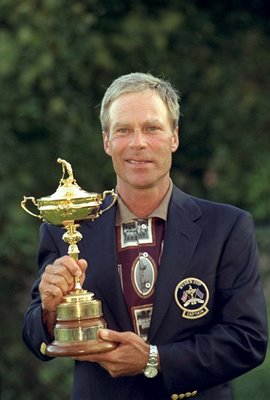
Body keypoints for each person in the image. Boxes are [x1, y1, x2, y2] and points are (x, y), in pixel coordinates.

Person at [23, 72, 268, 400]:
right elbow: (34, 337)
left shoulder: (227, 227)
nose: (138, 142)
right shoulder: (66, 229)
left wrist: (155, 359)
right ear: (107, 141)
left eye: (152, 128)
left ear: (174, 138)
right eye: (123, 130)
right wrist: (50, 310)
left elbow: (247, 340)